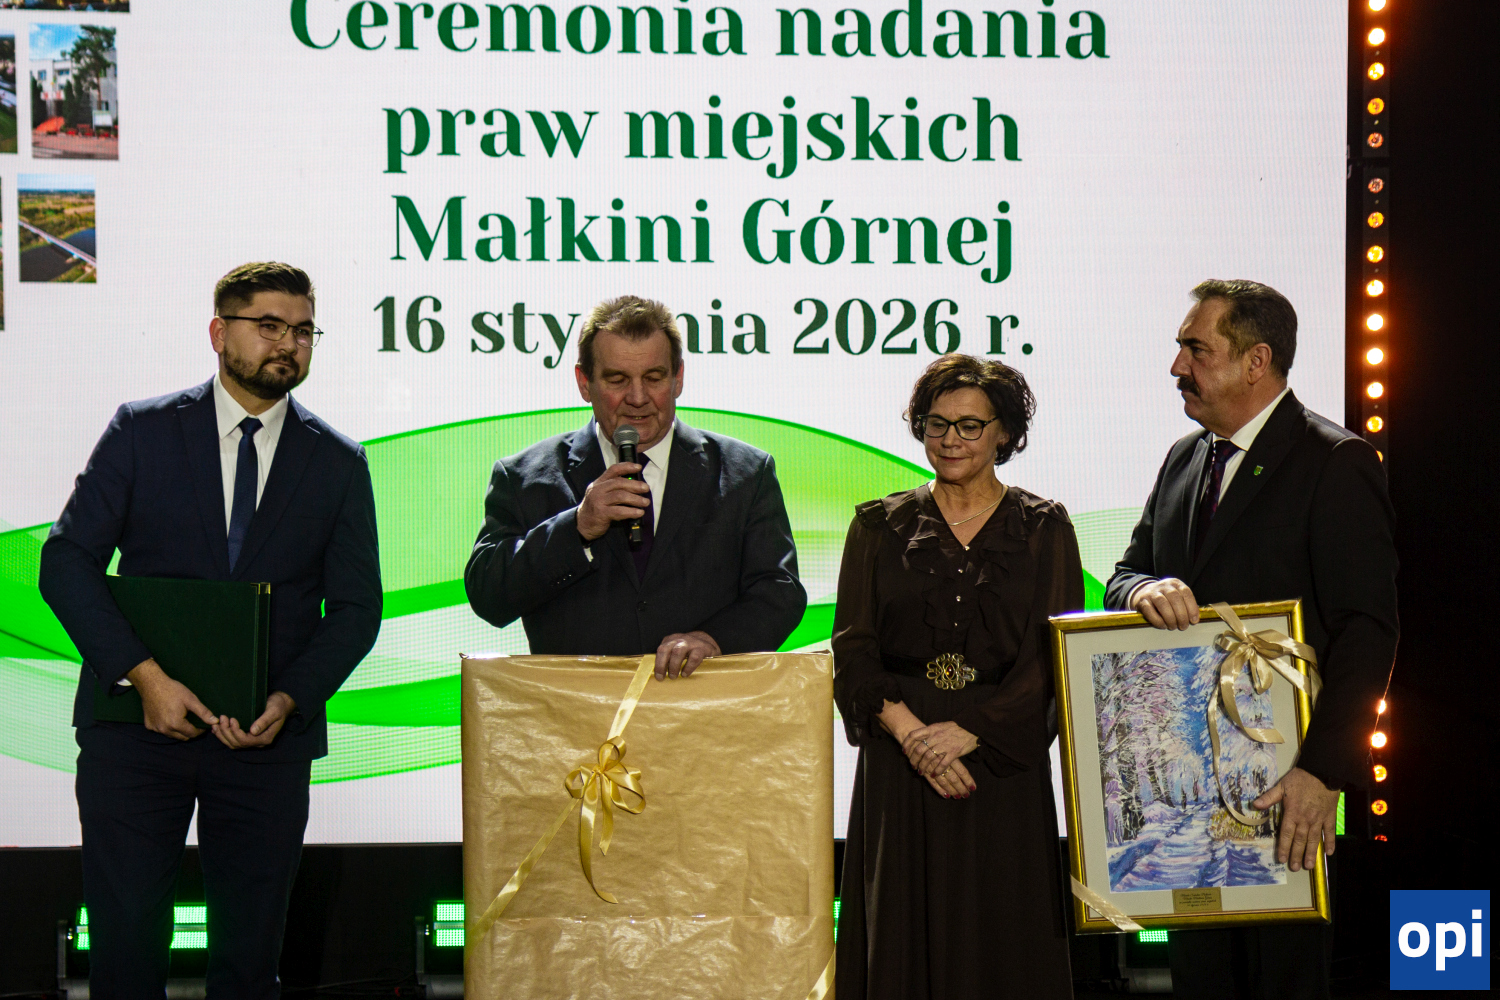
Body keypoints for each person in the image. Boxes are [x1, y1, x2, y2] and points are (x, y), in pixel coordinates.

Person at [38, 262, 383, 998]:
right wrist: (147, 680)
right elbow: (65, 563)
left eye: (303, 331)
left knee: (249, 963)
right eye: (269, 326)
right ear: (219, 332)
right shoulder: (142, 431)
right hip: (135, 734)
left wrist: (290, 699)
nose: (288, 344)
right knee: (125, 955)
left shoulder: (338, 462)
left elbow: (357, 610)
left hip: (266, 744)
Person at [1106, 279, 1398, 999]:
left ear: (1255, 361)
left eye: (1195, 349)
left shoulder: (1336, 461)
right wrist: (1142, 590)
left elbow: (1367, 632)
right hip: (1187, 803)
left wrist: (1322, 774)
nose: (1177, 366)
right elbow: (1124, 575)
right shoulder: (1184, 458)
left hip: (1286, 790)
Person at [833, 354, 1080, 999]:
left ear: (1005, 433)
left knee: (1003, 942)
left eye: (970, 426)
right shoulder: (876, 526)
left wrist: (970, 733)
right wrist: (914, 738)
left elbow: (1050, 659)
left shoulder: (1044, 527)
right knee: (900, 941)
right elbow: (853, 651)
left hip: (999, 764)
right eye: (936, 423)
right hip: (900, 764)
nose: (950, 439)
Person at [465, 295, 805, 677]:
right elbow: (488, 596)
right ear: (584, 383)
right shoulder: (523, 478)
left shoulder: (747, 473)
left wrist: (715, 640)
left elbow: (780, 592)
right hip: (577, 708)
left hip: (704, 706)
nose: (638, 398)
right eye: (618, 380)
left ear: (678, 378)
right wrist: (576, 527)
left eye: (654, 378)